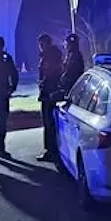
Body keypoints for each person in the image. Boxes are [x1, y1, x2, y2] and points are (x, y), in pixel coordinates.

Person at [35, 33, 64, 162]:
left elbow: (50, 74)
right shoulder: (51, 55)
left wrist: (43, 83)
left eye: (42, 44)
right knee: (49, 123)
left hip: (49, 94)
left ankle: (51, 150)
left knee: (49, 123)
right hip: (48, 92)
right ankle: (52, 149)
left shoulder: (50, 56)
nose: (40, 47)